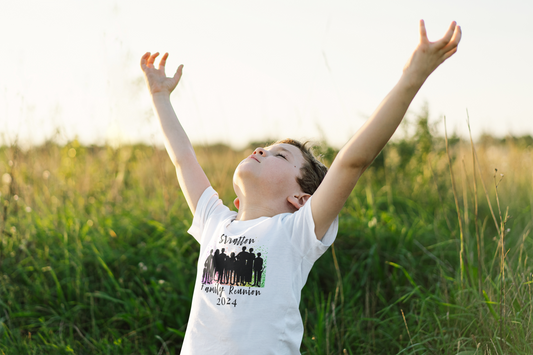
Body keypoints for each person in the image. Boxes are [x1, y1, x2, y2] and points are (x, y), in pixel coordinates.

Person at [140, 20, 461, 354]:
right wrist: (160, 96)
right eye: (264, 148)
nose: (261, 150)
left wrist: (412, 77)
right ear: (236, 200)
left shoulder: (295, 233)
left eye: (280, 154)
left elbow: (352, 162)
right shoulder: (214, 223)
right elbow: (183, 159)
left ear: (301, 198)